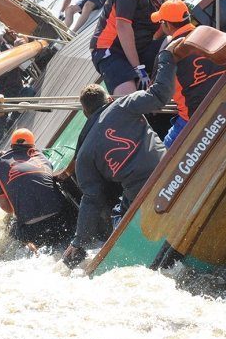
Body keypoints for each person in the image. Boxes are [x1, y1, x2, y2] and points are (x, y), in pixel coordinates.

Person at [61, 46, 176, 267]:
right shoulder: (124, 104)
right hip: (170, 170)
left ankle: (126, 256)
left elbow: (91, 199)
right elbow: (161, 94)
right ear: (109, 98)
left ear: (86, 114)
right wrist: (166, 58)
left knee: (118, 214)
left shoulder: (84, 155)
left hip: (139, 193)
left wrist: (79, 242)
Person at [89, 0, 170, 96]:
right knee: (129, 98)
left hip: (140, 49)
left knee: (175, 43)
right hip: (111, 50)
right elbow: (123, 26)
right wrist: (138, 68)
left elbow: (160, 32)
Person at [150, 0, 226, 148]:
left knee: (163, 154)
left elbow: (157, 95)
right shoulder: (210, 32)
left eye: (161, 22)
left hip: (193, 118)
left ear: (167, 25)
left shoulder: (167, 55)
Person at [0, 128, 77, 251]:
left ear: (11, 146)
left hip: (32, 229)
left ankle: (30, 245)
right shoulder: (42, 157)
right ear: (32, 145)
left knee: (9, 228)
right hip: (61, 220)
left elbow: (5, 206)